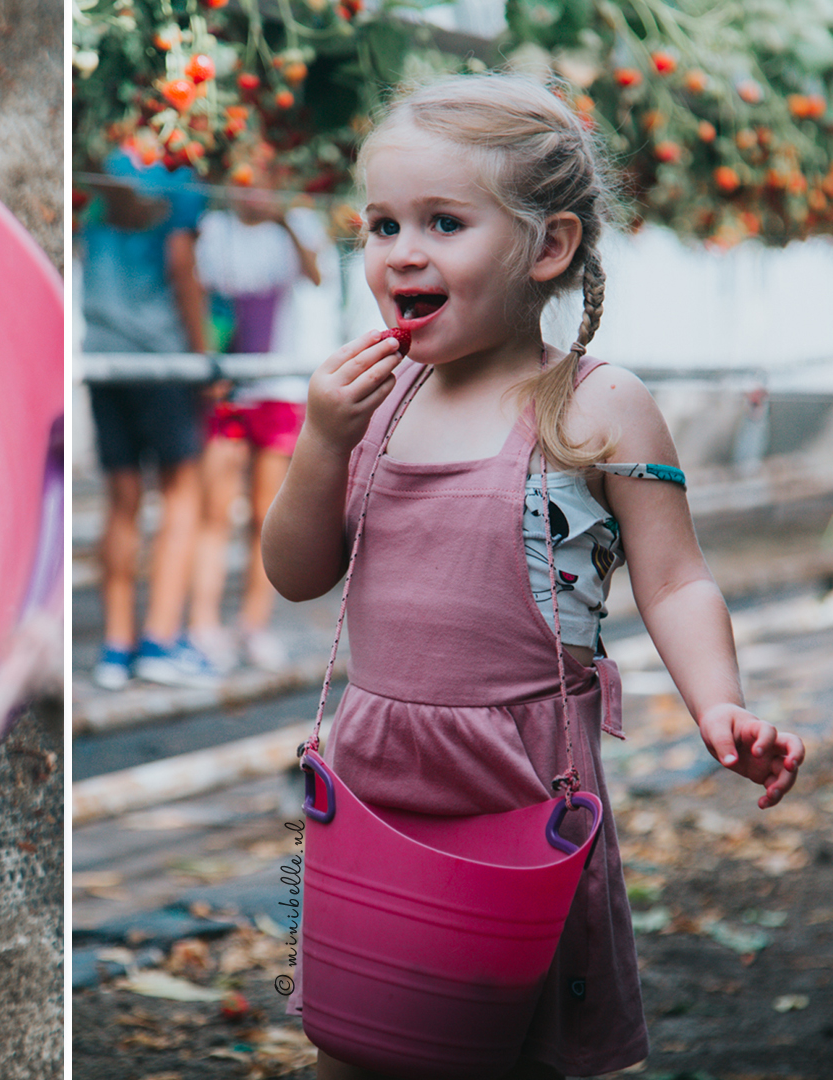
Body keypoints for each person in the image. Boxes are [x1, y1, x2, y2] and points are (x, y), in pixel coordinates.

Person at [261, 73, 806, 1079]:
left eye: (442, 221)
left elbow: (676, 579)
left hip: (522, 780)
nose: (400, 251)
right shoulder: (377, 404)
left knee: (515, 1045)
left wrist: (720, 706)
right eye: (380, 225)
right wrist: (319, 442)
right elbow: (298, 576)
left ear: (547, 247)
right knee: (360, 1037)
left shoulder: (597, 406)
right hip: (375, 772)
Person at [81, 147, 221, 689]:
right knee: (181, 496)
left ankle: (117, 648)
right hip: (162, 360)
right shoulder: (178, 178)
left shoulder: (98, 164)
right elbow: (182, 267)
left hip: (104, 360)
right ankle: (160, 640)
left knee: (122, 501)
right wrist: (205, 359)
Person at [188, 157, 327, 672]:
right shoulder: (213, 230)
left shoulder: (296, 229)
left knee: (268, 516)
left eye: (268, 174)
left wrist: (286, 218)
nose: (256, 186)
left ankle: (253, 623)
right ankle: (203, 623)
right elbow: (199, 298)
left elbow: (315, 276)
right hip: (227, 390)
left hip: (278, 389)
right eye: (248, 175)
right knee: (215, 510)